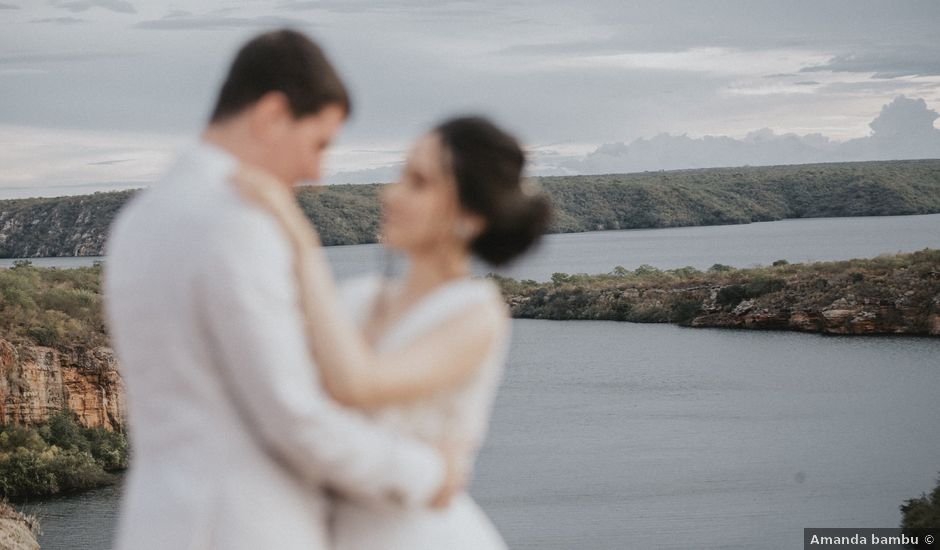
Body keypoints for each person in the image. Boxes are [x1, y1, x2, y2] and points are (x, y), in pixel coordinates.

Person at [103, 29, 464, 550]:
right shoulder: (239, 224)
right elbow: (292, 418)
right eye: (318, 143)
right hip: (242, 528)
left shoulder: (138, 219)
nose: (316, 174)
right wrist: (427, 473)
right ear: (273, 115)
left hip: (155, 525)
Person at [232, 115, 552, 549]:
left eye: (418, 182)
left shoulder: (476, 313)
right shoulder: (360, 298)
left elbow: (357, 384)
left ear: (470, 216)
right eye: (401, 176)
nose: (390, 193)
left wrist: (302, 246)